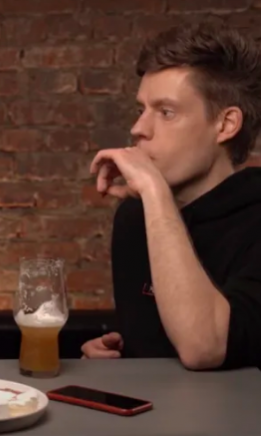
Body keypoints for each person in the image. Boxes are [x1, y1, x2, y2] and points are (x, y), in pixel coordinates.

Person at [81, 21, 261, 370]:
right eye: (141, 110)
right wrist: (118, 363)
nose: (138, 129)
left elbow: (204, 348)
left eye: (166, 112)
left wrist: (153, 190)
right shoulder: (134, 217)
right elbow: (156, 349)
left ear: (226, 125)